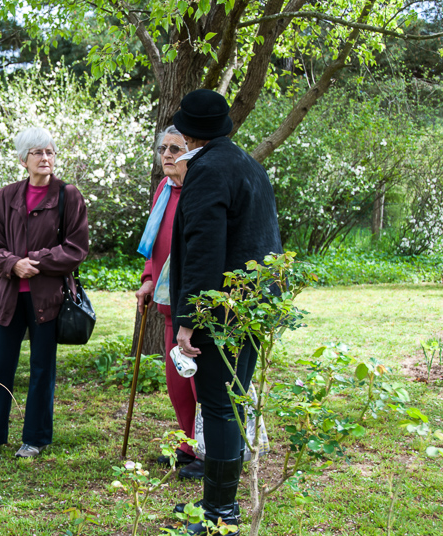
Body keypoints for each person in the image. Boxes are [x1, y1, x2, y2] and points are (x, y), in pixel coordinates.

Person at [168, 90, 283, 534]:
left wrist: (189, 320)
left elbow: (203, 248)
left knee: (218, 406)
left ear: (191, 131)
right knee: (228, 404)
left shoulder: (208, 169)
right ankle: (215, 504)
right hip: (253, 304)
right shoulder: (247, 163)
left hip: (224, 310)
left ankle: (221, 513)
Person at [0, 126, 89, 459]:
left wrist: (36, 260)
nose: (45, 158)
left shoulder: (68, 195)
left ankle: (35, 438)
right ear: (24, 160)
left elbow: (76, 248)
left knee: (42, 368)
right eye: (38, 153)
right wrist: (13, 264)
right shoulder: (4, 197)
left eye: (50, 152)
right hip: (8, 295)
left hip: (47, 297)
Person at [135, 126, 204, 480]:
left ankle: (208, 449)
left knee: (197, 379)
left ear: (193, 152)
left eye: (176, 148)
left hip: (193, 301)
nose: (167, 155)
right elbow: (155, 236)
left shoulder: (199, 191)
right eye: (163, 148)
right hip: (165, 300)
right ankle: (188, 443)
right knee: (176, 377)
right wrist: (148, 277)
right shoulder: (164, 189)